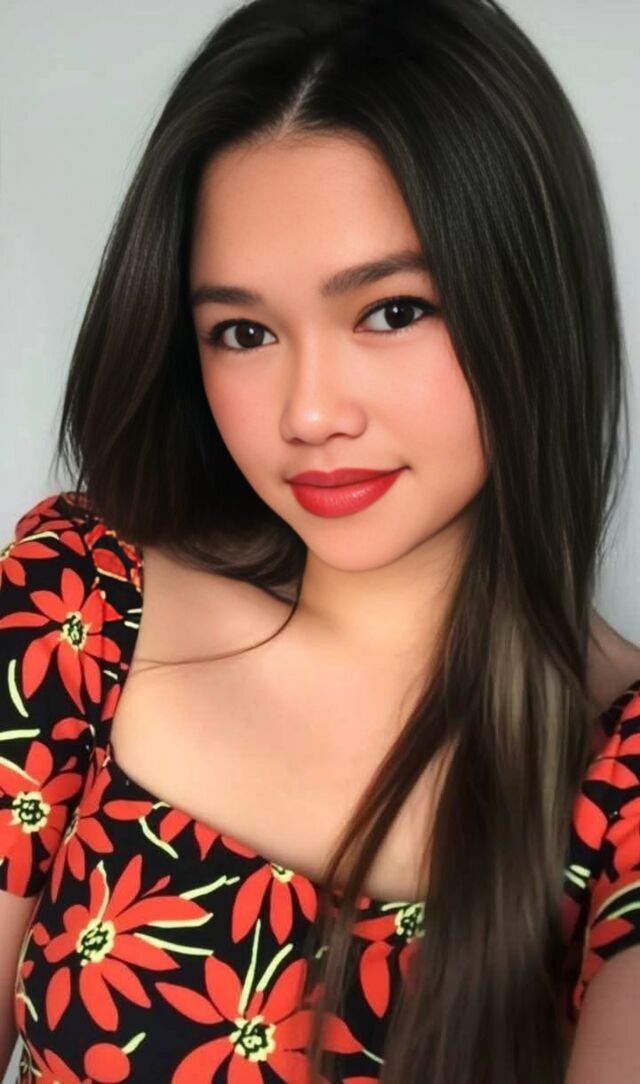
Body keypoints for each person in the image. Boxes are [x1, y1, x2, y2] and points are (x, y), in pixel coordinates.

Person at [1, 0, 639, 1081]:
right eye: (244, 332)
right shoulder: (83, 602)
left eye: (391, 311)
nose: (308, 413)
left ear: (532, 304)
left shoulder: (620, 778)